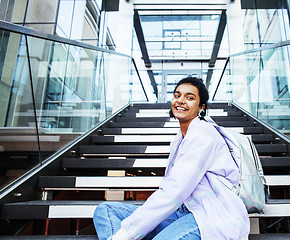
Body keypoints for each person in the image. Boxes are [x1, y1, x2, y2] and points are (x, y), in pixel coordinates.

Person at [93, 77, 250, 240]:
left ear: (201, 107)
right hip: (184, 212)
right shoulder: (181, 137)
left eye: (190, 98)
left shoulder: (203, 134)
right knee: (105, 210)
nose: (181, 100)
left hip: (212, 215)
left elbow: (175, 190)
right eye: (177, 95)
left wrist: (127, 233)